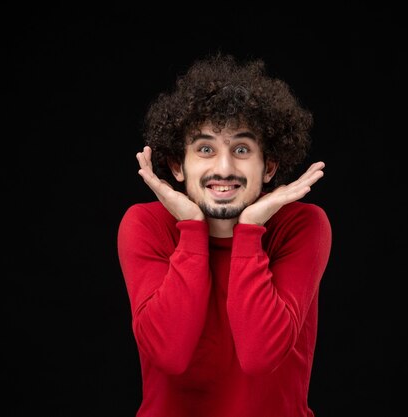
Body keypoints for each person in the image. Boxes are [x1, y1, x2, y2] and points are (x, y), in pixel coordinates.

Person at [117, 53, 332, 417]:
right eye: (205, 149)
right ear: (176, 166)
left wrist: (250, 231)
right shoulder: (146, 224)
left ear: (269, 167)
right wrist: (190, 228)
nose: (224, 168)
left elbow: (260, 356)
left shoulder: (302, 225)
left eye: (242, 149)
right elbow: (169, 354)